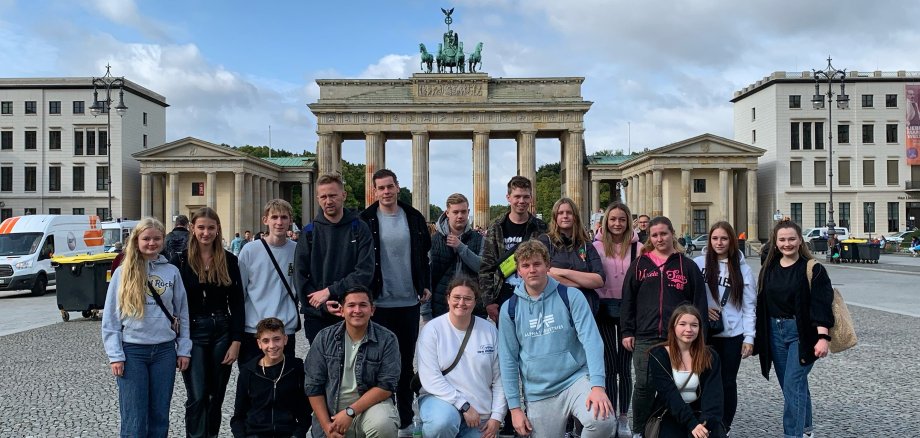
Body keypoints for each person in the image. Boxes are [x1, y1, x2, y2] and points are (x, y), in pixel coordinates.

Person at [498, 239, 615, 438]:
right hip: (539, 391)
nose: (532, 270)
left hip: (575, 379)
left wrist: (597, 386)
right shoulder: (509, 309)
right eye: (526, 266)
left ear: (547, 266)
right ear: (518, 271)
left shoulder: (571, 296)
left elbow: (592, 341)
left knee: (602, 421)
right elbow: (508, 359)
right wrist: (515, 408)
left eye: (537, 264)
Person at [101, 218, 191, 437]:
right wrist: (115, 355)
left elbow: (183, 313)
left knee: (160, 416)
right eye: (146, 238)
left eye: (156, 238)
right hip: (133, 352)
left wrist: (183, 349)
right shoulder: (123, 273)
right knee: (134, 418)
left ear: (163, 240)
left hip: (164, 351)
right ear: (137, 240)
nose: (152, 243)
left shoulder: (172, 272)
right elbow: (111, 317)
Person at [621, 216, 709, 435]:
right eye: (655, 235)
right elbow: (628, 299)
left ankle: (673, 427)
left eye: (664, 233)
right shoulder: (640, 265)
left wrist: (701, 335)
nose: (660, 238)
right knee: (644, 385)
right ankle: (640, 431)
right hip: (646, 335)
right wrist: (627, 331)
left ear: (672, 234)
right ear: (649, 238)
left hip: (678, 337)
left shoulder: (686, 265)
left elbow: (699, 302)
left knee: (679, 385)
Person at [360, 168, 433, 431]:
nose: (386, 192)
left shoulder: (413, 216)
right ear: (375, 191)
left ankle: (404, 418)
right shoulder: (365, 219)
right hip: (379, 304)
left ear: (397, 187)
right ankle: (383, 417)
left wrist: (423, 284)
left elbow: (423, 255)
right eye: (381, 188)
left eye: (390, 186)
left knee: (404, 361)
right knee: (378, 362)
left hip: (408, 303)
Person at [755, 220, 834, 438]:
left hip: (801, 333)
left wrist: (823, 337)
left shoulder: (813, 268)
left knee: (792, 384)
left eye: (791, 239)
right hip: (774, 332)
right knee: (793, 385)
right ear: (775, 242)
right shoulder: (769, 267)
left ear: (800, 241)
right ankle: (806, 429)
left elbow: (821, 304)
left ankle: (793, 434)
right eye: (782, 239)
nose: (787, 243)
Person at [171, 207, 245, 437]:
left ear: (217, 230)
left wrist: (236, 341)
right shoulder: (180, 261)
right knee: (198, 394)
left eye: (211, 228)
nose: (206, 232)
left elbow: (238, 303)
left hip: (222, 330)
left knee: (216, 395)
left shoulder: (230, 260)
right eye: (201, 227)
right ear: (192, 228)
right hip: (192, 331)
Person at [304, 286, 401, 438]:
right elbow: (313, 386)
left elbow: (387, 385)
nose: (357, 310)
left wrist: (350, 412)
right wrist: (327, 428)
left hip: (369, 409)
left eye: (363, 305)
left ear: (372, 310)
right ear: (341, 310)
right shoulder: (324, 338)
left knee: (384, 424)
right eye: (351, 305)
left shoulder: (387, 339)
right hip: (332, 414)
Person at [416, 277, 505, 438]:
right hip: (442, 404)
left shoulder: (490, 331)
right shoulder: (432, 330)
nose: (461, 303)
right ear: (448, 298)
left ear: (475, 301)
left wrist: (496, 417)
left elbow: (500, 379)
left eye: (468, 298)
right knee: (442, 423)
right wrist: (464, 405)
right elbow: (430, 377)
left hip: (480, 416)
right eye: (456, 297)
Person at [294, 172, 375, 345]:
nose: (328, 201)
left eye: (333, 195)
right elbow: (300, 278)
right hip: (318, 317)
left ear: (343, 196)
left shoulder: (359, 228)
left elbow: (365, 272)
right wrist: (323, 306)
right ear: (317, 198)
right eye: (323, 196)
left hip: (353, 313)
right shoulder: (309, 232)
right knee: (321, 369)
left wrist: (330, 291)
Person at [693, 221, 756, 436]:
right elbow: (690, 297)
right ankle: (703, 423)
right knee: (702, 380)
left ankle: (724, 426)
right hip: (704, 334)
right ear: (709, 240)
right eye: (715, 238)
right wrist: (704, 308)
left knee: (727, 382)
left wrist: (749, 337)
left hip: (732, 335)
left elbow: (748, 307)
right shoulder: (698, 263)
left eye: (724, 238)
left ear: (731, 241)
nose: (719, 243)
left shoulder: (742, 270)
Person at [592, 202, 640, 438]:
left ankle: (623, 417)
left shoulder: (638, 248)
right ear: (606, 222)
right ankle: (610, 416)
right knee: (610, 367)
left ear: (628, 221)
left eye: (622, 219)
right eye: (613, 219)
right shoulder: (596, 247)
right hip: (602, 308)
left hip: (628, 311)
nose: (617, 224)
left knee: (625, 367)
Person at [237, 199, 299, 367]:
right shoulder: (250, 250)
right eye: (275, 217)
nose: (279, 222)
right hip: (253, 328)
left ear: (290, 221)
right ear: (266, 220)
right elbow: (240, 291)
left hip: (284, 328)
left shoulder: (296, 250)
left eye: (284, 217)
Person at [648, 305, 725, 438]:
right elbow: (668, 394)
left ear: (700, 328)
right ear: (673, 327)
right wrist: (692, 424)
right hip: (670, 412)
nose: (688, 329)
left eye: (694, 325)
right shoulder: (658, 355)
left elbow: (713, 394)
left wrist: (704, 424)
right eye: (682, 324)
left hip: (701, 412)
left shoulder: (710, 356)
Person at [479, 176, 548, 323]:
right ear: (508, 197)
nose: (521, 201)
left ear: (531, 198)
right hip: (503, 294)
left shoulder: (541, 227)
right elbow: (486, 267)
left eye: (526, 197)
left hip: (535, 293)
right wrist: (488, 302)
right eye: (517, 196)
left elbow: (548, 263)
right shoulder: (496, 227)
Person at [231, 317, 309, 438]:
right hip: (255, 434)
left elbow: (305, 411)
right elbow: (238, 417)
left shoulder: (296, 368)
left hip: (287, 433)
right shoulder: (248, 372)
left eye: (276, 339)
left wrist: (297, 434)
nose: (272, 346)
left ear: (285, 339)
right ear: (259, 344)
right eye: (266, 341)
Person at [537, 197, 605, 314]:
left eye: (569, 212)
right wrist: (584, 283)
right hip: (555, 306)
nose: (565, 216)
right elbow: (542, 275)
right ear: (555, 217)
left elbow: (599, 280)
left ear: (575, 217)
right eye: (560, 213)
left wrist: (562, 272)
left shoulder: (585, 244)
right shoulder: (545, 241)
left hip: (585, 306)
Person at [430, 193, 484, 319]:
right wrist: (426, 313)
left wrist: (460, 247)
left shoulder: (479, 239)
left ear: (468, 212)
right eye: (455, 212)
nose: (460, 216)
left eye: (463, 212)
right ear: (447, 213)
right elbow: (428, 277)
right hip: (441, 306)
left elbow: (481, 267)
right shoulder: (434, 240)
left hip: (473, 306)